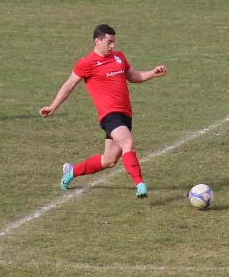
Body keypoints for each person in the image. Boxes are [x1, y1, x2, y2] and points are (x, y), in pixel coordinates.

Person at [39, 24, 168, 199]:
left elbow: (133, 76)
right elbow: (69, 84)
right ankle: (140, 184)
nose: (112, 45)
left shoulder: (119, 58)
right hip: (109, 115)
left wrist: (152, 73)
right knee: (128, 143)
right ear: (97, 41)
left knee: (109, 160)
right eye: (109, 42)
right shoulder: (87, 63)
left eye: (114, 42)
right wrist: (53, 106)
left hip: (125, 115)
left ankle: (70, 171)